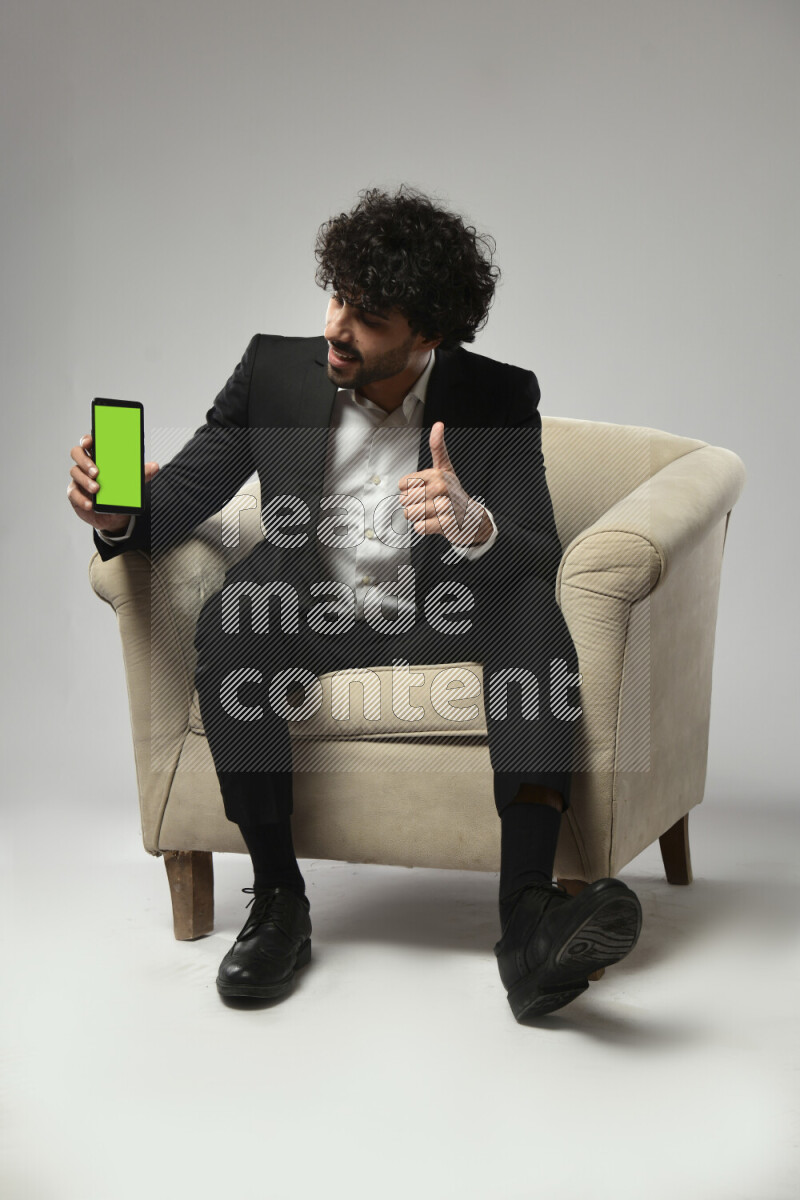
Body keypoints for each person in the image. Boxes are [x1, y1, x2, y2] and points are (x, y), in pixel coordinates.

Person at [68, 186, 642, 1021]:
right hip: (314, 613)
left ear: (428, 333)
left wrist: (476, 523)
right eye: (336, 296)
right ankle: (278, 899)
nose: (337, 326)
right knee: (236, 615)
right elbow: (179, 502)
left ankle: (528, 921)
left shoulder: (497, 395)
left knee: (529, 607)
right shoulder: (273, 372)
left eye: (368, 316)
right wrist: (116, 515)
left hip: (441, 613)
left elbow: (539, 550)